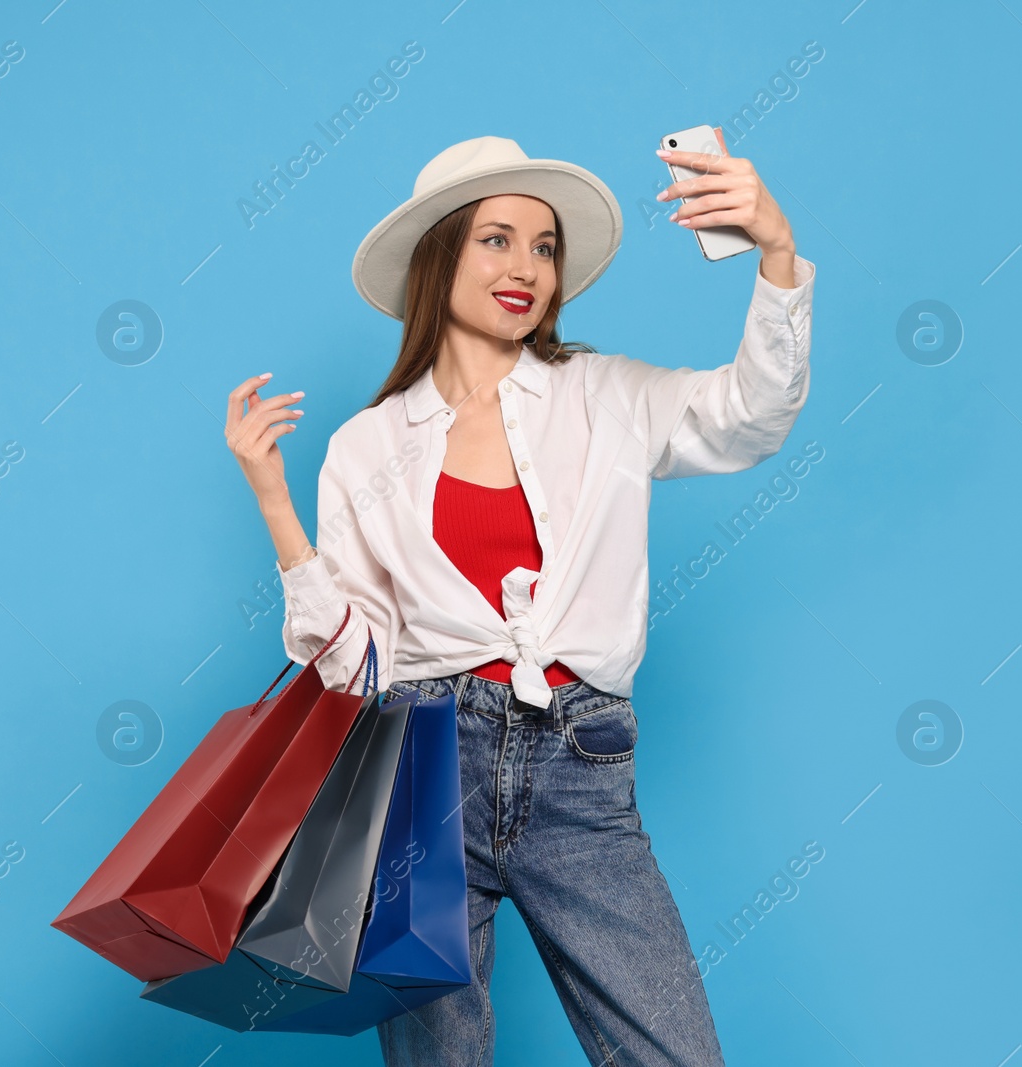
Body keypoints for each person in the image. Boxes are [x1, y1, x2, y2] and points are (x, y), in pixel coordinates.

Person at [223, 132, 816, 1066]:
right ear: (440, 255)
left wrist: (777, 254)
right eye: (497, 239)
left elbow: (750, 415)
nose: (527, 268)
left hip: (582, 764)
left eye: (544, 247)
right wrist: (271, 500)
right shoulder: (368, 448)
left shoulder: (605, 396)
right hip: (424, 768)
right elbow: (352, 660)